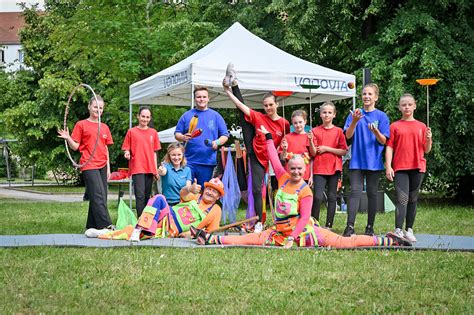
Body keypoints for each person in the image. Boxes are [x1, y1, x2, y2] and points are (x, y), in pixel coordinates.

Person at [196, 126, 412, 248]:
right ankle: (209, 238)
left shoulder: (305, 191)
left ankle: (388, 240)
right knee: (246, 239)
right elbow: (272, 157)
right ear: (288, 167)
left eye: (300, 169)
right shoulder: (282, 177)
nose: (297, 172)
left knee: (344, 242)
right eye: (293, 168)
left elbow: (304, 217)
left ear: (305, 169)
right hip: (278, 233)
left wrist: (292, 238)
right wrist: (269, 138)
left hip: (303, 233)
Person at [223, 64, 290, 233]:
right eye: (265, 105)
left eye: (270, 105)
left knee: (281, 187)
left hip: (271, 156)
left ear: (276, 104)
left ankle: (285, 218)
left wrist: (284, 149)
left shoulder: (284, 124)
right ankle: (259, 222)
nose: (268, 108)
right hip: (255, 152)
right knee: (256, 188)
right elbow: (240, 105)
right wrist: (227, 91)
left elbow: (285, 143)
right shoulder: (259, 116)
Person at [57, 95, 114, 233]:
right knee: (98, 195)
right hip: (88, 164)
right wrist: (68, 138)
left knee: (101, 196)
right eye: (95, 107)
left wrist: (108, 168)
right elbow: (75, 147)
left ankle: (91, 226)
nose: (98, 110)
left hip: (102, 165)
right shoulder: (81, 124)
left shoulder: (105, 127)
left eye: (101, 108)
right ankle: (106, 225)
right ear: (89, 107)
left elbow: (105, 148)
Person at [343, 83, 390, 237]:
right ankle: (350, 227)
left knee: (372, 194)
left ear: (376, 97)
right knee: (355, 192)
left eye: (370, 94)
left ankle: (370, 227)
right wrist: (355, 121)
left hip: (374, 162)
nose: (367, 97)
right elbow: (348, 137)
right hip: (356, 161)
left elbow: (384, 141)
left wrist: (376, 131)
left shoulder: (382, 116)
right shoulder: (355, 114)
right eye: (364, 94)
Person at [385, 94, 432, 242]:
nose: (406, 107)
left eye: (409, 104)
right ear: (399, 107)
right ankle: (398, 229)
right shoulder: (394, 126)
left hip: (418, 166)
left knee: (412, 198)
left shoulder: (422, 126)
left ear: (414, 106)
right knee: (402, 198)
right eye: (404, 105)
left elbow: (427, 149)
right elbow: (389, 147)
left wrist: (429, 139)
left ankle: (409, 229)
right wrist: (388, 166)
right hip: (400, 167)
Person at [127, 177, 225, 241]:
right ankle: (141, 229)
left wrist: (191, 234)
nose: (210, 192)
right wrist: (189, 189)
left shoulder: (216, 210)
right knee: (159, 198)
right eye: (209, 189)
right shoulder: (196, 196)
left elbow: (210, 231)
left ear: (218, 197)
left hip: (172, 228)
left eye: (214, 191)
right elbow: (183, 194)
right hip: (168, 214)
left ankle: (144, 229)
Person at [174, 86, 229, 187]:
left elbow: (225, 135)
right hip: (188, 161)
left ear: (208, 99)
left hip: (207, 162)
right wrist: (183, 137)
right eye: (199, 97)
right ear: (194, 99)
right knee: (187, 190)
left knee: (203, 191)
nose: (201, 99)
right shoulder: (186, 115)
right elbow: (177, 134)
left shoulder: (216, 116)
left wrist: (216, 142)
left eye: (204, 97)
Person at [309, 102, 348, 229]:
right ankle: (314, 224)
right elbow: (313, 153)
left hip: (334, 168)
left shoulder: (338, 131)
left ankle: (329, 225)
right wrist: (310, 141)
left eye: (329, 112)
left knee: (332, 197)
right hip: (319, 168)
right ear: (320, 114)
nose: (327, 115)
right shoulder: (315, 131)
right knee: (318, 197)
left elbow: (343, 151)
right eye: (324, 112)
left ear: (334, 115)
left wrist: (326, 148)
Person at [122, 106, 161, 218]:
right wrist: (126, 153)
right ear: (138, 116)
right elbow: (126, 148)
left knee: (147, 196)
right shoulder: (132, 131)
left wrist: (155, 170)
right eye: (143, 116)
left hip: (149, 168)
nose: (145, 119)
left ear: (150, 118)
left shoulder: (153, 132)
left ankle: (146, 221)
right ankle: (140, 221)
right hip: (137, 167)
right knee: (139, 195)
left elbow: (154, 153)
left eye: (147, 117)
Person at [279, 110, 312, 184]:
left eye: (300, 122)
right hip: (289, 174)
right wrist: (284, 149)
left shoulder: (309, 137)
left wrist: (311, 176)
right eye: (295, 123)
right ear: (292, 124)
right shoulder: (287, 137)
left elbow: (312, 158)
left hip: (305, 174)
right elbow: (282, 158)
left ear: (305, 121)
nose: (298, 125)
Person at [158, 142, 192, 207]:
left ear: (183, 155)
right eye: (173, 155)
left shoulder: (187, 170)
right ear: (169, 156)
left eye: (179, 155)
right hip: (167, 204)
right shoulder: (166, 166)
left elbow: (188, 188)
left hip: (182, 203)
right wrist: (161, 171)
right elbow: (163, 171)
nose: (176, 158)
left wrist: (192, 188)